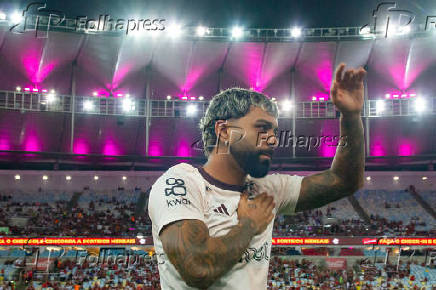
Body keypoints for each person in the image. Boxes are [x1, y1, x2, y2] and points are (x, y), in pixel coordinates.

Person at [148, 63, 366, 289]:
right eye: (262, 129)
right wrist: (250, 224)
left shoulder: (267, 189)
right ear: (224, 131)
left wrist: (350, 116)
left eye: (274, 132)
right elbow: (198, 268)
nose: (273, 140)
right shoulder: (181, 181)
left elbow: (345, 181)